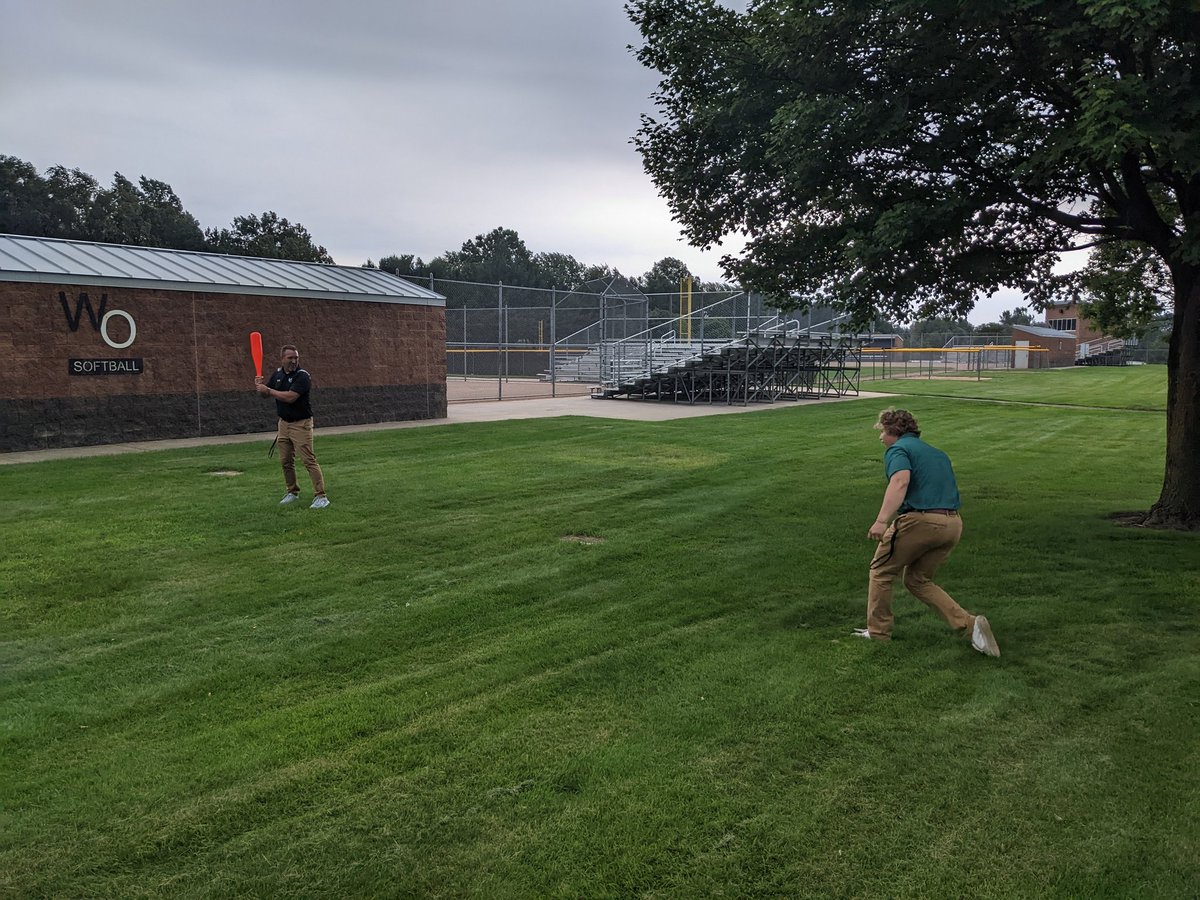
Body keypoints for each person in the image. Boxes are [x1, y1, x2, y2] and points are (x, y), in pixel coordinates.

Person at [856, 408, 998, 656]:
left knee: (880, 571)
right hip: (952, 524)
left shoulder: (898, 450)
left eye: (882, 432)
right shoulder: (937, 454)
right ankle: (970, 624)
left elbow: (900, 481)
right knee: (917, 580)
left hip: (920, 521)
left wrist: (881, 521)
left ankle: (878, 633)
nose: (880, 438)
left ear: (893, 431)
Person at [255, 344, 329, 509]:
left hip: (301, 424)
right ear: (282, 359)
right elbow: (265, 394)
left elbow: (290, 397)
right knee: (286, 460)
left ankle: (321, 496)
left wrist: (269, 390)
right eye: (290, 358)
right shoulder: (278, 374)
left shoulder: (302, 376)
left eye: (296, 357)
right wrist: (260, 387)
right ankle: (292, 491)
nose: (294, 361)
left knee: (308, 460)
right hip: (284, 424)